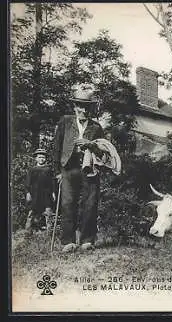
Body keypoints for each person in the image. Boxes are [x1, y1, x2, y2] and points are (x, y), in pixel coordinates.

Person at [53, 90, 104, 253]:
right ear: (75, 106)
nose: (84, 110)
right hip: (68, 168)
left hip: (89, 169)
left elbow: (103, 151)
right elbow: (57, 147)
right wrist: (57, 172)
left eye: (87, 107)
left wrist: (90, 144)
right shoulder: (65, 122)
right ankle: (68, 241)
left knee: (90, 204)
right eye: (81, 106)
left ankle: (87, 241)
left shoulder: (96, 127)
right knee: (67, 204)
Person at [25, 148, 55, 233]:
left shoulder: (48, 169)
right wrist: (28, 193)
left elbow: (52, 182)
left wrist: (53, 193)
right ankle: (27, 232)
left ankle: (50, 232)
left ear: (46, 158)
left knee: (48, 213)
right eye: (39, 157)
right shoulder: (32, 169)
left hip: (46, 194)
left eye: (43, 157)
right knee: (31, 213)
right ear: (36, 158)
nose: (41, 159)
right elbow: (28, 182)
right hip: (34, 194)